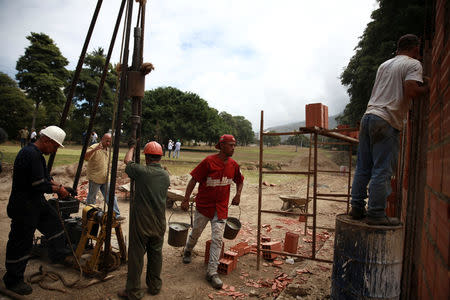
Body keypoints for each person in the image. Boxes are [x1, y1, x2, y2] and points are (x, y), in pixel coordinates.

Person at [349, 34, 429, 226]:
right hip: (386, 120)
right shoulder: (413, 64)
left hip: (368, 117)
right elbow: (411, 91)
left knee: (363, 168)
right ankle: (376, 214)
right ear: (416, 49)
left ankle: (357, 209)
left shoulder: (384, 65)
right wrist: (428, 86)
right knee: (382, 169)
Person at [3, 125, 73, 295]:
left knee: (54, 222)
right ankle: (13, 280)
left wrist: (62, 187)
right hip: (24, 205)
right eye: (55, 146)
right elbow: (39, 184)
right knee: (21, 242)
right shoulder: (31, 155)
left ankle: (59, 254)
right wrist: (58, 190)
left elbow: (46, 179)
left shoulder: (36, 155)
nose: (55, 149)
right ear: (47, 140)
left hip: (35, 201)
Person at [181, 134, 244, 289]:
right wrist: (185, 199)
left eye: (234, 145)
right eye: (231, 145)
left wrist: (238, 194)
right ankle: (188, 250)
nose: (233, 148)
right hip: (204, 206)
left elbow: (240, 181)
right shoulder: (208, 162)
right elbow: (193, 180)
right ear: (222, 146)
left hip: (221, 208)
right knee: (196, 232)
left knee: (217, 239)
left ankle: (212, 272)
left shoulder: (234, 165)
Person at [118, 141, 170, 299]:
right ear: (160, 157)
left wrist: (132, 147)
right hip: (159, 222)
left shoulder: (142, 172)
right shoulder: (165, 175)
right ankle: (154, 286)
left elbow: (127, 161)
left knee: (136, 255)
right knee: (156, 254)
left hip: (142, 222)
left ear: (146, 157)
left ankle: (133, 291)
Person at [84, 133, 124, 220]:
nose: (108, 143)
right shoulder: (94, 146)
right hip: (95, 178)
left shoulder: (108, 150)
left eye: (110, 142)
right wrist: (94, 150)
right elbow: (86, 157)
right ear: (102, 139)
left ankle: (116, 215)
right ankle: (89, 215)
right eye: (107, 141)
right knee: (92, 198)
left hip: (106, 178)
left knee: (111, 196)